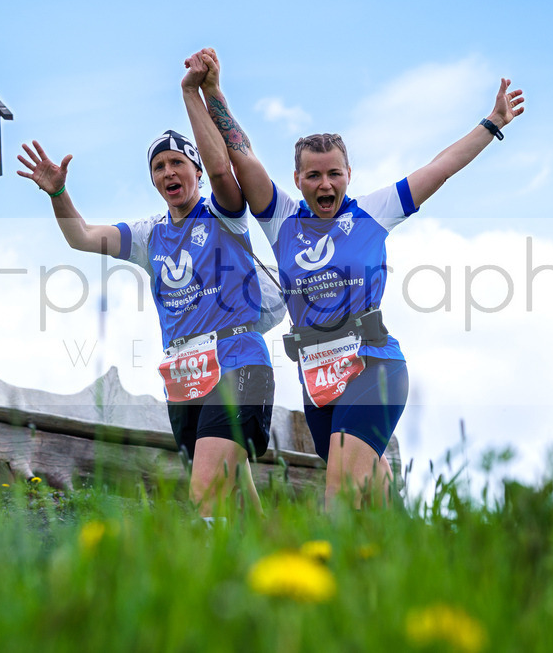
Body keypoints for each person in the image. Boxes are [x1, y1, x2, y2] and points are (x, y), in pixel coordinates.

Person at [185, 48, 525, 509]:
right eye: (314, 176)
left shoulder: (372, 211)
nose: (325, 185)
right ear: (298, 179)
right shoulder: (282, 218)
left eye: (334, 174)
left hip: (374, 366)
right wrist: (212, 92)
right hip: (317, 379)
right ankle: (410, 558)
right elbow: (242, 157)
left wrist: (491, 125)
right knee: (371, 493)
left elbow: (439, 168)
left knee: (339, 498)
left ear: (348, 175)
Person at [16, 62, 276, 519]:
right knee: (239, 497)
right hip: (185, 376)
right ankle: (285, 566)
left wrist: (190, 93)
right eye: (159, 166)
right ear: (153, 179)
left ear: (194, 169)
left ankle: (203, 582)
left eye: (177, 162)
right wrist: (58, 194)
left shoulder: (223, 212)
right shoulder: (147, 234)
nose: (168, 172)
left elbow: (222, 170)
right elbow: (79, 236)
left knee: (206, 497)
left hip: (238, 362)